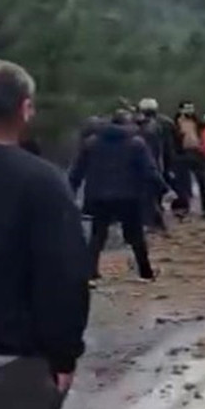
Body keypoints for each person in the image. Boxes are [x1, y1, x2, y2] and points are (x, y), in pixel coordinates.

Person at [0, 60, 90, 409]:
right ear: (25, 109)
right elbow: (63, 276)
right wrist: (64, 354)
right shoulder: (42, 182)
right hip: (13, 366)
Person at [70, 110, 168, 282]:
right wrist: (164, 189)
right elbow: (149, 171)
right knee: (136, 236)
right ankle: (145, 272)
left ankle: (90, 273)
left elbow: (77, 171)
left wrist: (70, 191)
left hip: (98, 196)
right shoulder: (136, 143)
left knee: (97, 236)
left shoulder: (91, 143)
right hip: (129, 196)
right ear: (127, 124)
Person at [136, 98, 174, 232]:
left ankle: (151, 222)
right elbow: (169, 146)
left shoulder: (137, 124)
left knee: (147, 194)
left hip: (143, 163)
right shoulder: (165, 122)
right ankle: (156, 221)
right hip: (159, 161)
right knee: (155, 192)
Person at [173, 101, 205, 216]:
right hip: (182, 153)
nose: (190, 110)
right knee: (183, 182)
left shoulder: (197, 121)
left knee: (203, 180)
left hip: (197, 152)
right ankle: (184, 207)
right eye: (187, 108)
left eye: (191, 108)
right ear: (181, 110)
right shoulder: (176, 122)